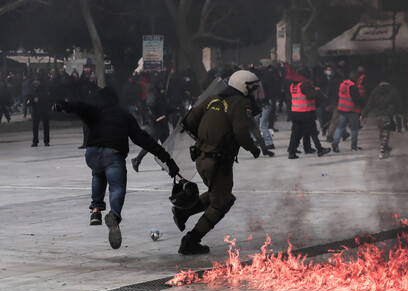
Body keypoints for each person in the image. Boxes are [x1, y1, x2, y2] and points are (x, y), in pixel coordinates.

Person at [52, 87, 180, 250]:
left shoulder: (95, 110)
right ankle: (114, 215)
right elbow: (143, 139)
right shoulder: (123, 115)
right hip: (113, 153)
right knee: (117, 187)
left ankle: (96, 210)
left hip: (92, 154)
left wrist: (64, 105)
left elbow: (80, 106)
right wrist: (167, 159)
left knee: (97, 174)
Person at [172, 70, 262, 255]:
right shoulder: (241, 103)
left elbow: (188, 121)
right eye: (252, 89)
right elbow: (241, 133)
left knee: (217, 194)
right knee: (222, 203)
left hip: (201, 158)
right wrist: (254, 149)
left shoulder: (213, 99)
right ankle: (191, 241)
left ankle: (184, 212)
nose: (254, 93)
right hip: (218, 163)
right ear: (243, 87)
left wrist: (207, 138)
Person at [287, 66, 331, 159]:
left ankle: (291, 152)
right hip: (306, 113)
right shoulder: (304, 84)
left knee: (296, 133)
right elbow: (310, 96)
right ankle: (320, 149)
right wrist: (317, 91)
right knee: (313, 132)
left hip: (296, 113)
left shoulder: (293, 85)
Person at [360, 76, 404, 159]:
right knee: (386, 131)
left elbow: (370, 103)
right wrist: (399, 112)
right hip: (388, 113)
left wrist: (364, 114)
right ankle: (383, 150)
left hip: (378, 114)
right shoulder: (393, 91)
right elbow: (398, 102)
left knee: (382, 131)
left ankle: (385, 148)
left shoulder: (375, 91)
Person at [131, 86, 171, 172]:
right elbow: (150, 107)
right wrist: (154, 119)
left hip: (162, 124)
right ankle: (137, 160)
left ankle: (166, 163)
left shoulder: (161, 95)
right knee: (151, 145)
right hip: (156, 125)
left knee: (166, 145)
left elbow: (164, 108)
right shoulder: (153, 95)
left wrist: (174, 110)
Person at [331, 70, 365, 152]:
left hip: (342, 109)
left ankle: (335, 142)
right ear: (356, 78)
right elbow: (356, 99)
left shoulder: (343, 84)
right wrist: (363, 103)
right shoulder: (353, 86)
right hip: (352, 110)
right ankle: (354, 146)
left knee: (340, 127)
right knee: (354, 129)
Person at [27, 79, 51, 146]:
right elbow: (28, 101)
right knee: (35, 126)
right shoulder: (32, 91)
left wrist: (39, 100)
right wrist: (32, 101)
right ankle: (35, 141)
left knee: (45, 126)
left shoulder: (44, 90)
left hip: (44, 110)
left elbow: (47, 99)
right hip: (36, 110)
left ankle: (46, 141)